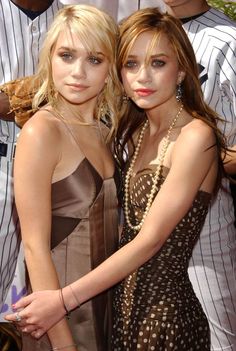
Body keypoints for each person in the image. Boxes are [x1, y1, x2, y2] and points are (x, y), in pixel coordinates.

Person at [6, 7, 229, 350]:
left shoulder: (129, 132)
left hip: (139, 313)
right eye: (132, 64)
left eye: (95, 59)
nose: (143, 77)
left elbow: (148, 238)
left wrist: (66, 300)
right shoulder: (60, 132)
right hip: (72, 312)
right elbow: (34, 246)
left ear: (182, 71)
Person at [4, 4, 122, 351]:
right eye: (67, 55)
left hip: (104, 304)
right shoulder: (42, 131)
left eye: (95, 59)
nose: (78, 72)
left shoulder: (106, 130)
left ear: (111, 68)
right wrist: (64, 343)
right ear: (50, 59)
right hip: (57, 318)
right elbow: (34, 247)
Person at [163, 1, 236, 349]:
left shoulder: (229, 40)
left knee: (219, 337)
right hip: (139, 211)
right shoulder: (148, 30)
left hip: (205, 219)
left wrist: (190, 157)